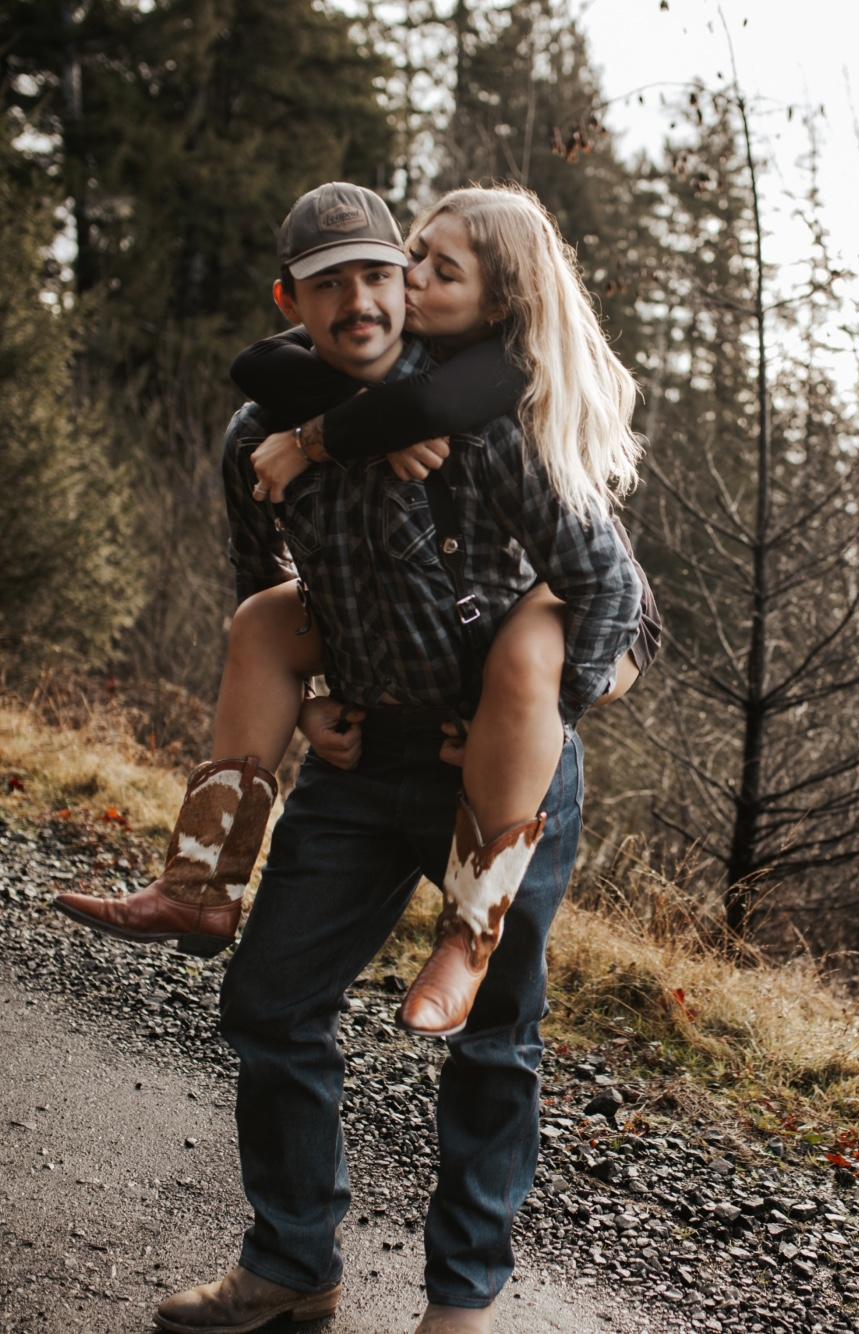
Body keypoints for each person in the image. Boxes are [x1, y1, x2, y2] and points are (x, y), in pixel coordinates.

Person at [63, 180, 645, 1334]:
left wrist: (544, 704)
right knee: (269, 1002)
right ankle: (291, 1262)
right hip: (360, 761)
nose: (367, 300)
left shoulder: (482, 422)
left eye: (384, 274)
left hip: (497, 778)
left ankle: (460, 1301)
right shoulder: (259, 437)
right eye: (331, 284)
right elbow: (261, 581)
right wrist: (318, 694)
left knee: (495, 1038)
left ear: (409, 290)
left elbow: (609, 586)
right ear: (294, 302)